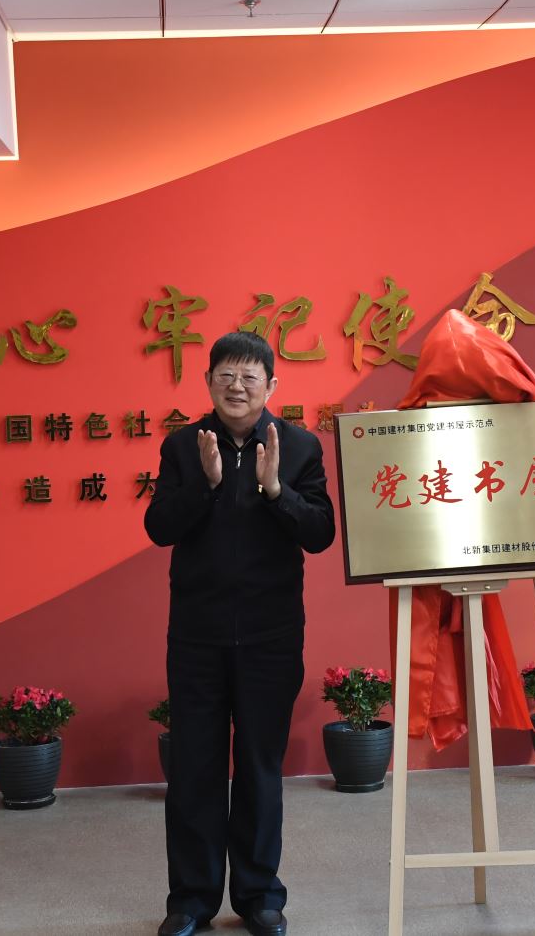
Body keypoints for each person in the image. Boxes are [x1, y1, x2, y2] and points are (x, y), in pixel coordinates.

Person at [144, 331, 336, 936]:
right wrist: (202, 485)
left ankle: (259, 896)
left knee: (259, 766)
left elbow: (320, 533)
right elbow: (159, 527)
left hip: (270, 635)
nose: (237, 386)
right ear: (207, 382)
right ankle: (191, 900)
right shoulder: (183, 446)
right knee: (195, 769)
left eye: (250, 376)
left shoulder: (298, 446)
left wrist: (276, 490)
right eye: (226, 375)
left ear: (271, 386)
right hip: (197, 635)